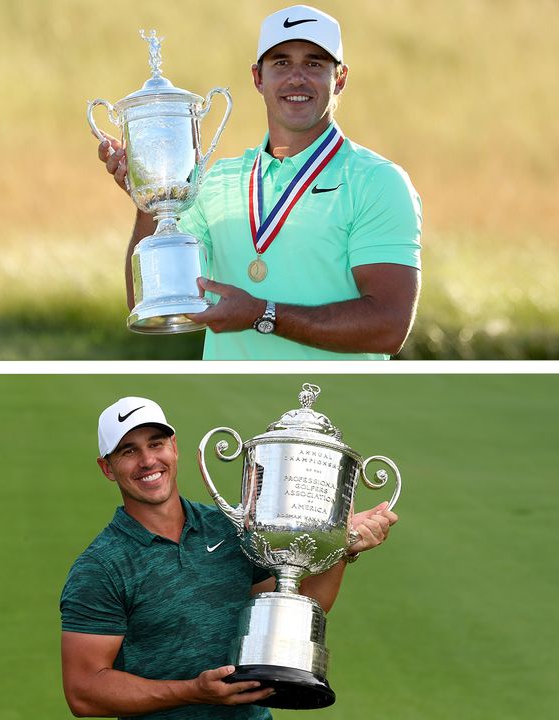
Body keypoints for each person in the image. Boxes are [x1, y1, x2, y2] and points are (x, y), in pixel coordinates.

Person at [97, 5, 422, 360]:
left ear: (340, 77)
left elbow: (389, 326)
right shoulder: (215, 181)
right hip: (230, 399)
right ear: (258, 78)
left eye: (314, 63)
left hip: (336, 398)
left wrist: (263, 314)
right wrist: (151, 199)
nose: (296, 78)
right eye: (281, 63)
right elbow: (151, 298)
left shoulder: (378, 181)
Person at [60, 396, 398, 718]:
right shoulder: (101, 567)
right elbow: (84, 691)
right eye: (128, 451)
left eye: (156, 443)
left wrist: (341, 547)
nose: (148, 461)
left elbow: (300, 604)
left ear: (174, 448)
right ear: (107, 468)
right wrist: (193, 690)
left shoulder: (230, 528)